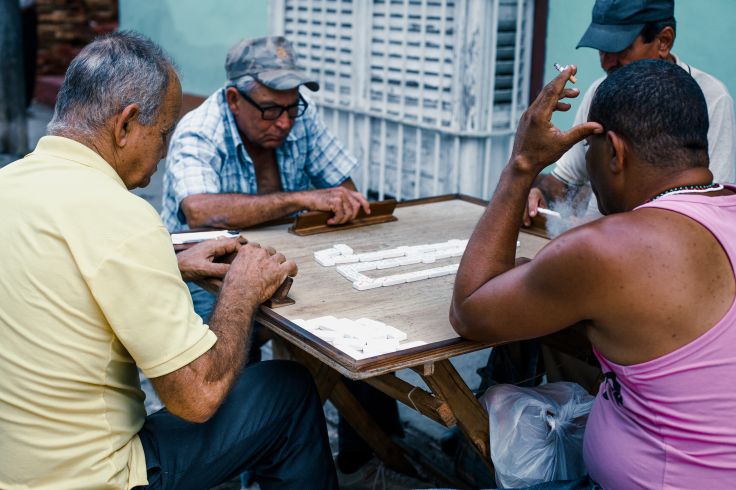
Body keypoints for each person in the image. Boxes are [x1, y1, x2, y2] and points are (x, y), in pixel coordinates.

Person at [0, 31, 337, 489]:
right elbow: (197, 398)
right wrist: (240, 289)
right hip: (91, 477)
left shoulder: (10, 184)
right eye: (162, 135)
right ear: (126, 124)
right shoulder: (121, 216)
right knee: (287, 389)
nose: (163, 152)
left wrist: (167, 261)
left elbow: (55, 272)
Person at [452, 60, 736, 488]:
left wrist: (522, 163)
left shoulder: (609, 247)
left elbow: (470, 310)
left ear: (614, 152)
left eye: (588, 149)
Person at [161, 35, 403, 482]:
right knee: (228, 377)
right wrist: (305, 198)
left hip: (285, 263)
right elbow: (200, 209)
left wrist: (343, 200)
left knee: (360, 329)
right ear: (235, 99)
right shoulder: (200, 130)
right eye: (271, 109)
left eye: (293, 107)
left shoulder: (296, 119)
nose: (285, 121)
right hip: (204, 278)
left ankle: (370, 454)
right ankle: (239, 465)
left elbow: (343, 188)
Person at [525, 0, 736, 225]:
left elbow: (708, 210)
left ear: (664, 41)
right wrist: (537, 194)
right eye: (601, 50)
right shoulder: (601, 91)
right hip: (595, 248)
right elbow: (565, 182)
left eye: (619, 48)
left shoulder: (711, 99)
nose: (607, 62)